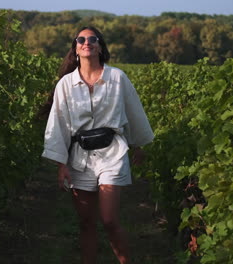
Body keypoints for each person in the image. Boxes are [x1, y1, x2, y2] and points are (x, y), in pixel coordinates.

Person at [41, 26, 154, 264]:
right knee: (85, 222)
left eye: (93, 39)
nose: (87, 42)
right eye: (81, 39)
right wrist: (61, 163)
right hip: (79, 157)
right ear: (75, 48)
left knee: (109, 219)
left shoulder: (117, 78)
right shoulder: (65, 84)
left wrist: (138, 144)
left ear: (100, 46)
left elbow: (134, 112)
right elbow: (58, 123)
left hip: (112, 153)